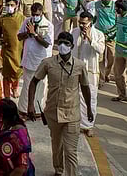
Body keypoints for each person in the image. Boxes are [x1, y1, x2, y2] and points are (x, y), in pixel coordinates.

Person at [25, 31, 93, 176]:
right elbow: (34, 82)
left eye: (66, 43)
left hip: (72, 114)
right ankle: (59, 169)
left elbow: (86, 88)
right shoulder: (48, 63)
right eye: (60, 42)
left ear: (72, 46)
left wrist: (89, 109)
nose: (62, 46)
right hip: (53, 112)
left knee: (71, 151)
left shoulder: (80, 66)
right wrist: (30, 104)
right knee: (57, 145)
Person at [72, 10, 104, 135]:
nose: (82, 25)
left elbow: (101, 50)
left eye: (84, 23)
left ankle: (89, 126)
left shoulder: (99, 34)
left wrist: (91, 40)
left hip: (90, 72)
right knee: (76, 97)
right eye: (80, 23)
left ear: (90, 23)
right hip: (75, 69)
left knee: (91, 98)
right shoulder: (74, 32)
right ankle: (78, 123)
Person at [17, 2, 52, 117]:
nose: (35, 16)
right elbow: (19, 36)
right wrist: (28, 33)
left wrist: (35, 34)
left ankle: (37, 111)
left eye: (37, 14)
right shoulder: (27, 21)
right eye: (33, 14)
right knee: (27, 85)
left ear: (41, 13)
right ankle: (24, 110)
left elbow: (47, 44)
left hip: (41, 60)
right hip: (28, 59)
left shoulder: (48, 25)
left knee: (40, 86)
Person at [0, 0, 24, 99]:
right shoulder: (2, 19)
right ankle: (7, 95)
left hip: (18, 50)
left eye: (12, 5)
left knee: (17, 72)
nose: (9, 7)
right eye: (7, 5)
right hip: (6, 50)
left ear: (16, 6)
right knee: (6, 74)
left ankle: (15, 88)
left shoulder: (22, 18)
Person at [86, 0, 116, 86]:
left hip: (111, 36)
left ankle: (107, 74)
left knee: (111, 58)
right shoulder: (97, 4)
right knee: (100, 59)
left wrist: (110, 33)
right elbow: (95, 17)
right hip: (100, 35)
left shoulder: (115, 6)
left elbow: (118, 22)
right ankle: (101, 80)